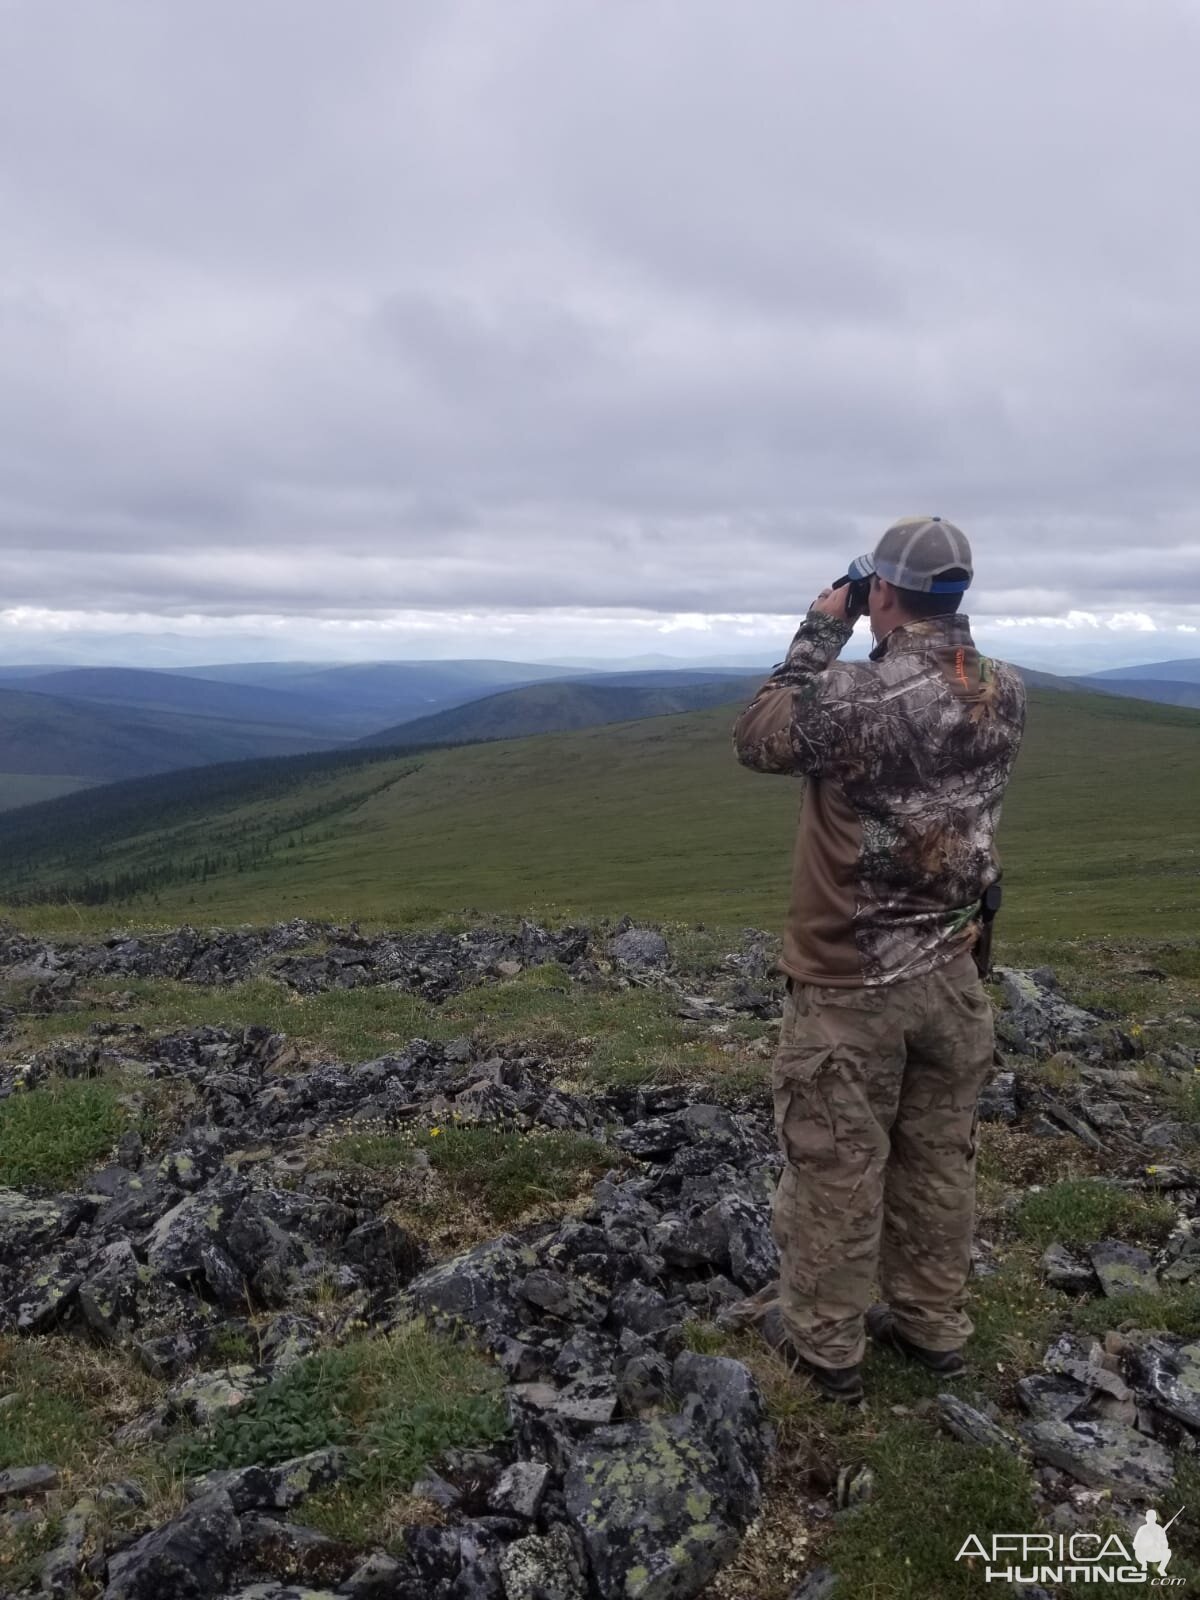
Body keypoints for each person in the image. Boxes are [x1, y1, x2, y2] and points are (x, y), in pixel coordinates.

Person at [729, 516, 1026, 1403]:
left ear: (882, 593)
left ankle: (825, 1349)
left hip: (853, 981)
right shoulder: (1004, 690)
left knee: (834, 1166)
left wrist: (825, 624)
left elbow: (759, 733)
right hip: (954, 973)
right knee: (938, 1157)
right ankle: (933, 1327)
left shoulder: (857, 696)